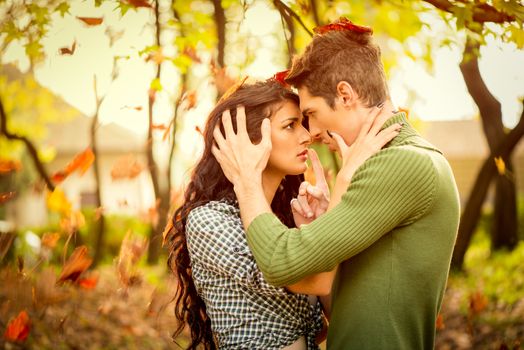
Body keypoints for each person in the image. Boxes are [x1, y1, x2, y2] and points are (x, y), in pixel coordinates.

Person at [211, 18, 461, 350]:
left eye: (311, 113)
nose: (311, 132)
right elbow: (337, 291)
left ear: (345, 95)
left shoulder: (401, 164)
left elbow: (280, 262)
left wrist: (245, 181)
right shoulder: (399, 161)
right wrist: (329, 221)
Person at [165, 79, 400, 349]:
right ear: (249, 141)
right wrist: (346, 180)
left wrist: (320, 227)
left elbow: (334, 314)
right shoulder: (210, 222)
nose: (306, 135)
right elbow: (313, 281)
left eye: (303, 122)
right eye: (290, 125)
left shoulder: (282, 224)